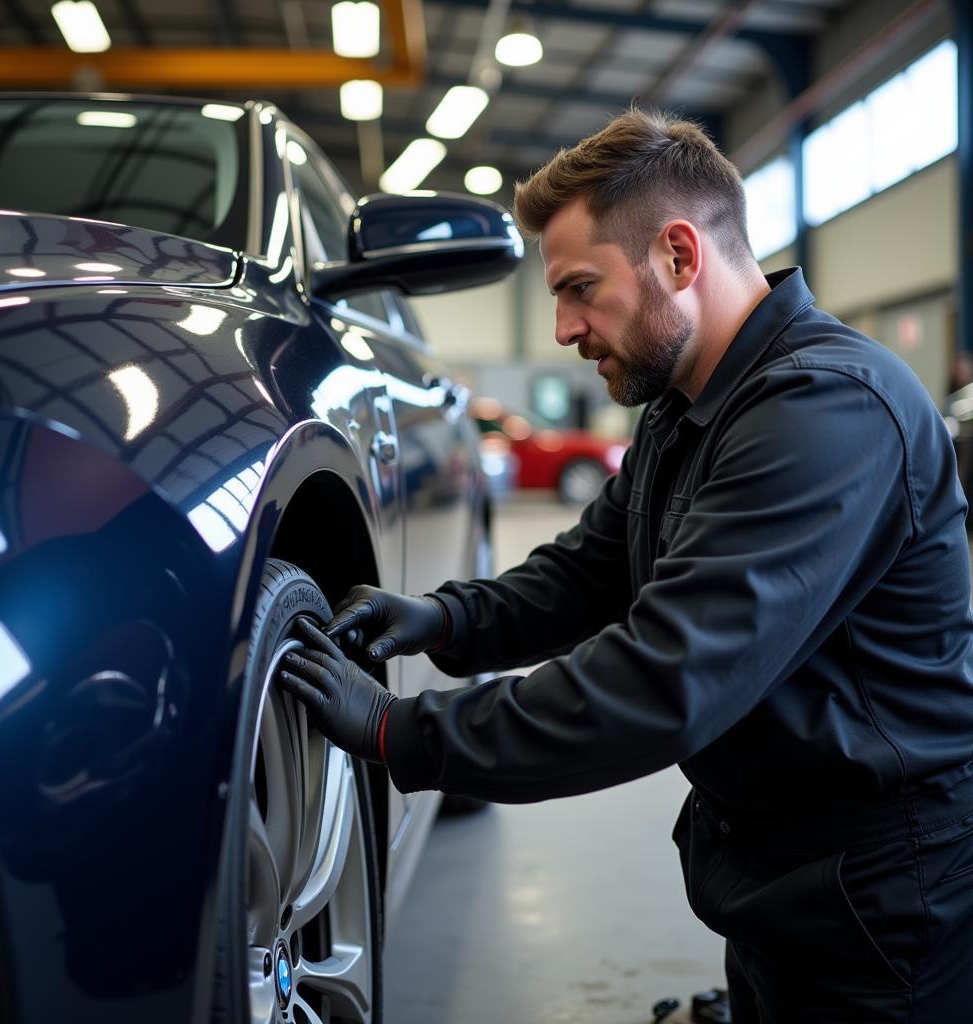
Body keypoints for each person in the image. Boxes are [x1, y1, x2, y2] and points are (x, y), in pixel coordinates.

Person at [280, 107, 973, 1021]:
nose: (563, 328)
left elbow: (664, 681)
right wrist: (443, 619)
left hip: (885, 895)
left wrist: (398, 731)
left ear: (679, 257)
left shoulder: (823, 410)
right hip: (777, 873)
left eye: (579, 289)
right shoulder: (687, 410)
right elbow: (586, 572)